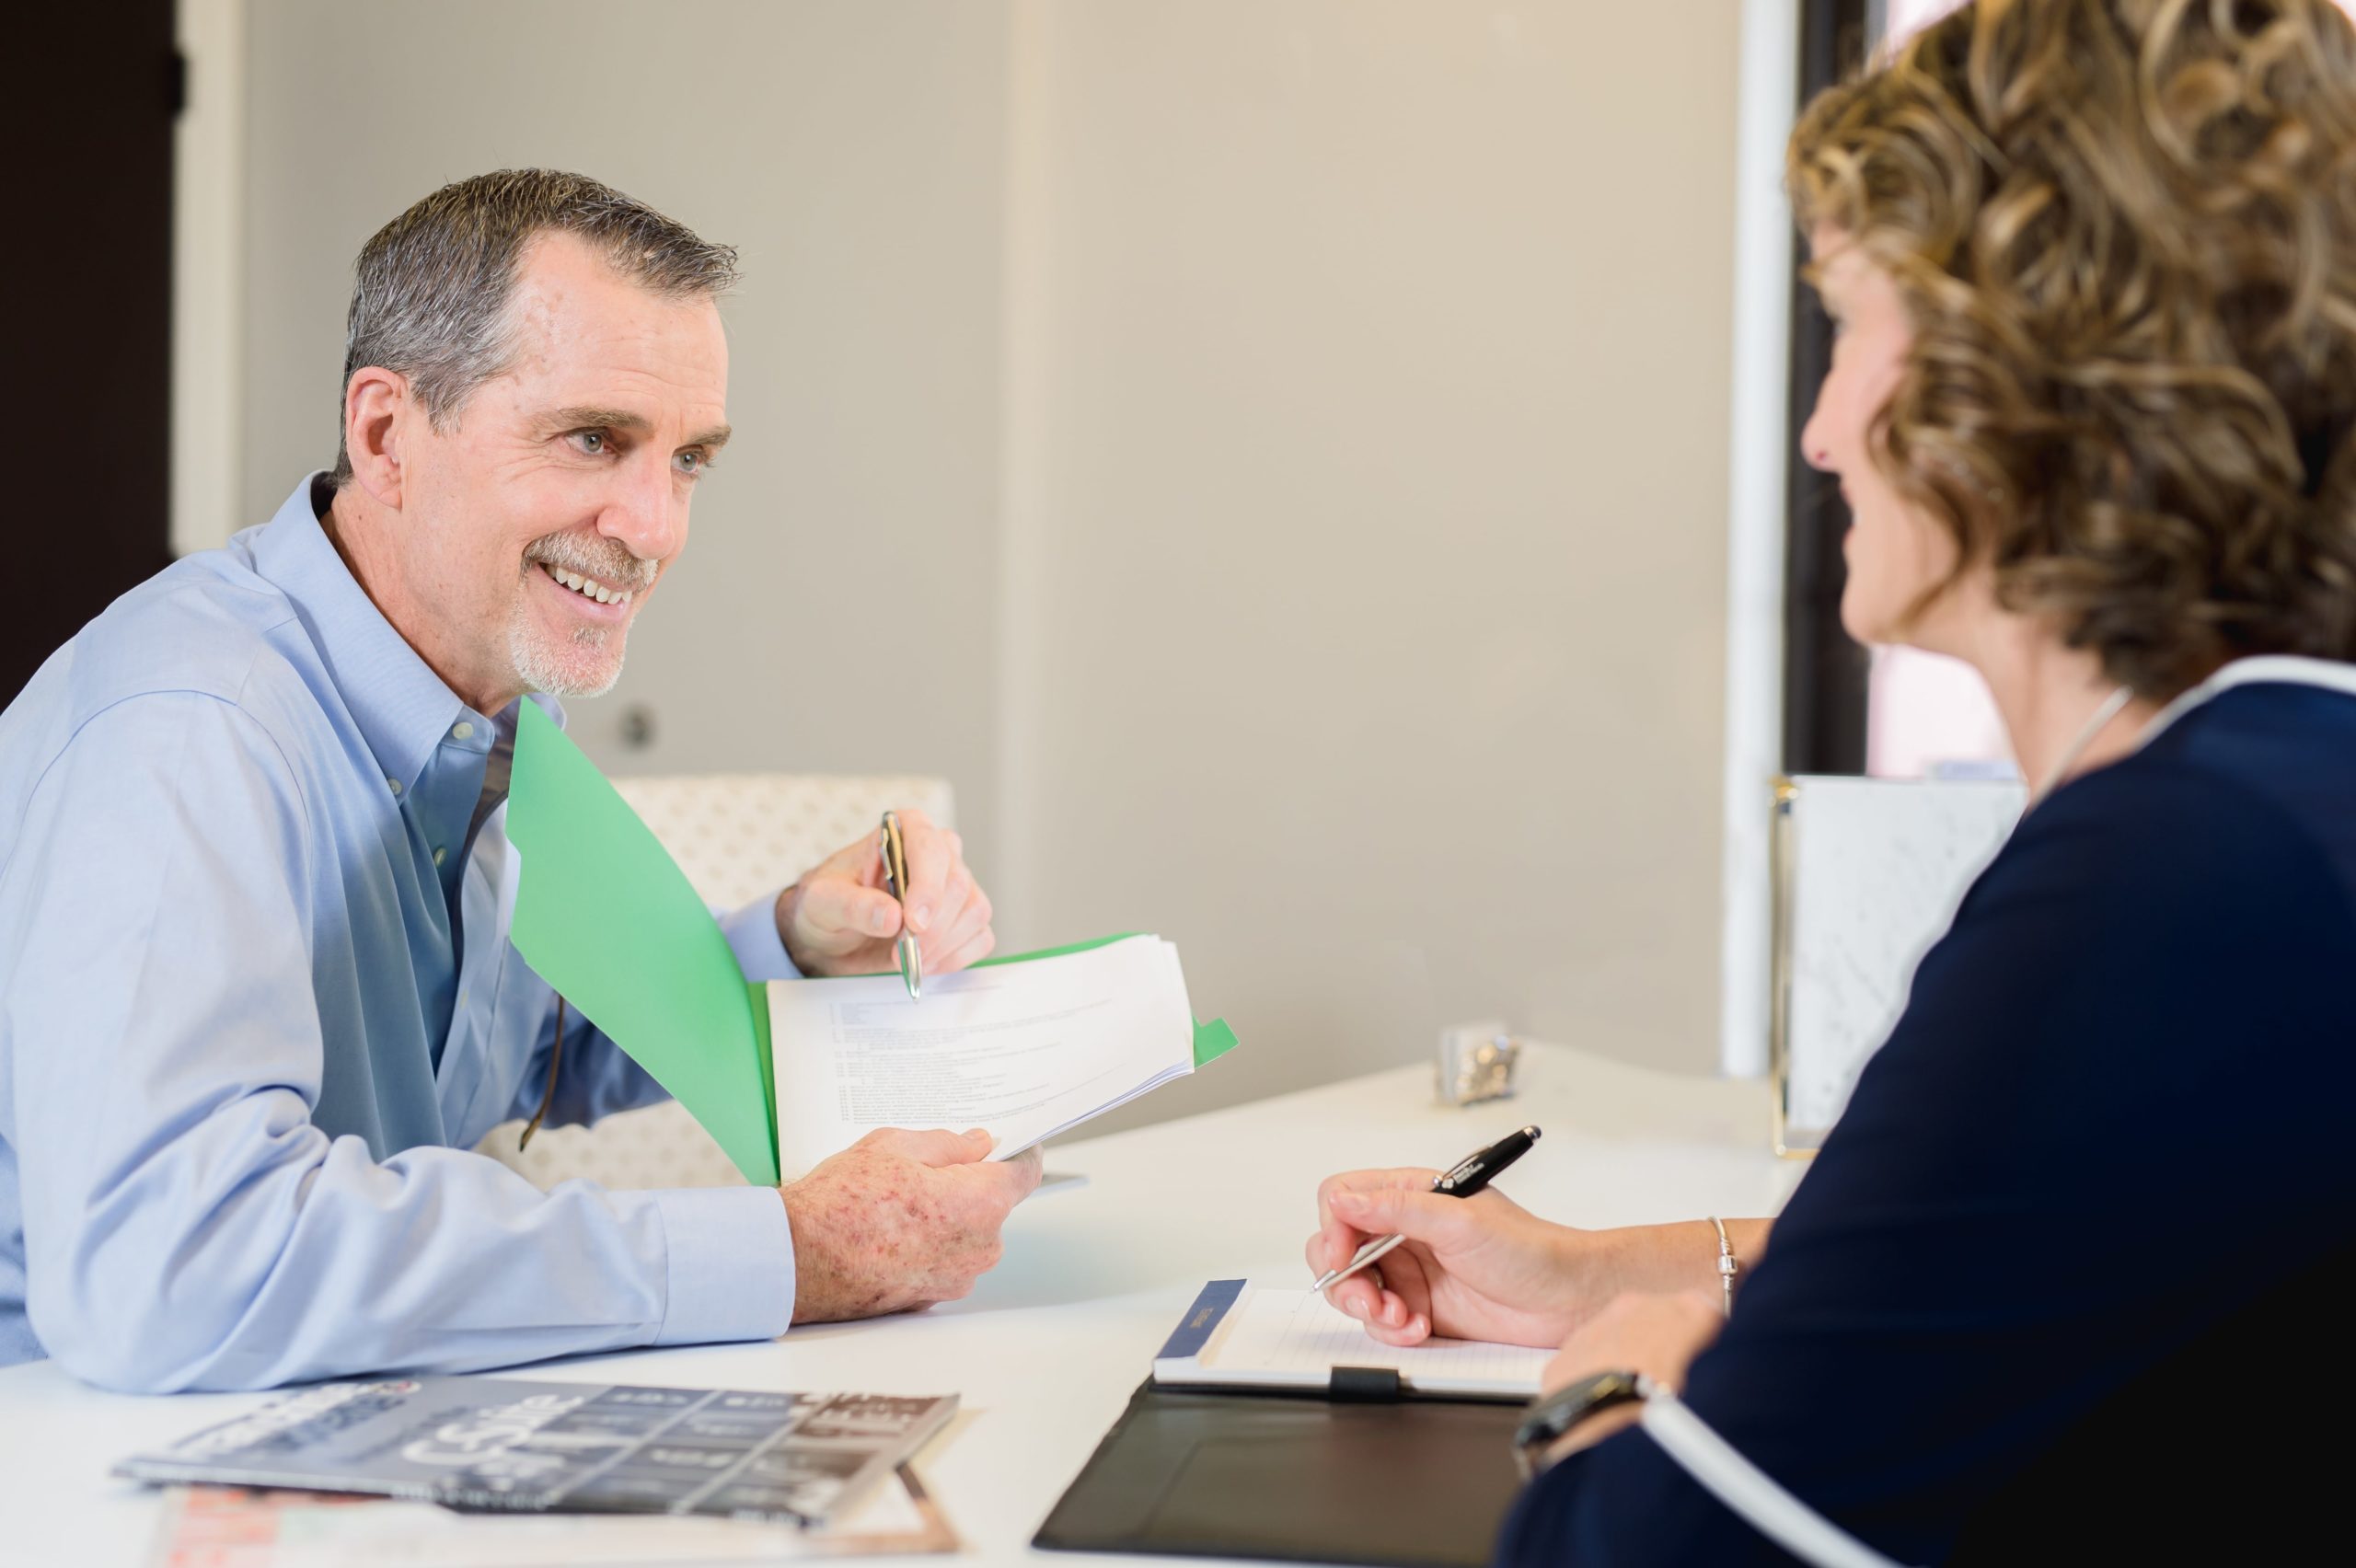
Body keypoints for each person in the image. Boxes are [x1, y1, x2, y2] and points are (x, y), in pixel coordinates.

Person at [1308, 1, 2356, 1559]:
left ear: (2013, 372)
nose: (1819, 434)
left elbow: (1642, 1550)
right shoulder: (2278, 794)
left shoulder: (2169, 880)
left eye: (1853, 325)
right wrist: (1606, 1276)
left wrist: (1606, 1389)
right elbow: (2020, 1261)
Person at [0, 170, 1040, 1393]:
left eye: (689, 459)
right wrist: (789, 1252)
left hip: (326, 1409)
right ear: (386, 435)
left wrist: (790, 944)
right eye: (593, 439)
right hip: (80, 1456)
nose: (654, 528)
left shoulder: (475, 690)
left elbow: (518, 1050)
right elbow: (173, 1271)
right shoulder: (187, 734)